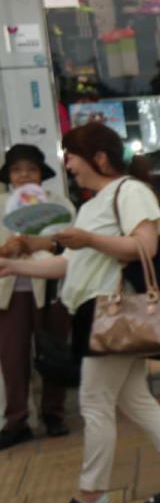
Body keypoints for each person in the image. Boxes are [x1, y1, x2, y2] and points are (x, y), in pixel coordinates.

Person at [0, 123, 160, 503]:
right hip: (99, 316)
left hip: (113, 314)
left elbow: (143, 246)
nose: (68, 165)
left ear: (97, 157)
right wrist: (13, 266)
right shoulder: (95, 202)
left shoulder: (128, 192)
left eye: (71, 156)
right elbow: (70, 264)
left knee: (94, 403)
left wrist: (88, 240)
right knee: (135, 400)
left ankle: (90, 497)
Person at [0, 144, 74, 449]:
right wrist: (7, 249)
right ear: (9, 176)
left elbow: (71, 245)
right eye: (17, 170)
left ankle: (53, 413)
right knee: (12, 356)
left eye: (31, 169)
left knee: (54, 348)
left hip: (52, 289)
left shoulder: (61, 205)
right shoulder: (1, 204)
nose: (24, 176)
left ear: (41, 174)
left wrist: (38, 244)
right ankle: (17, 420)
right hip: (9, 291)